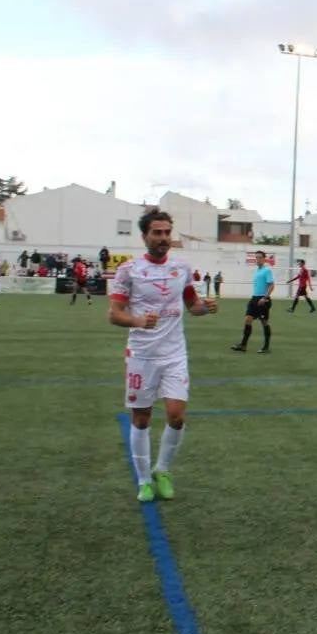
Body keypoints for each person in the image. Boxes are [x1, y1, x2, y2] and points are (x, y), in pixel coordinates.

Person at [109, 210, 217, 502]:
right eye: (157, 233)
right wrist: (138, 321)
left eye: (167, 232)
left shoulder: (181, 267)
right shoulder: (128, 270)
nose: (164, 238)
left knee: (176, 415)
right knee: (142, 419)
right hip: (142, 355)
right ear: (145, 235)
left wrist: (205, 307)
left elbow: (192, 305)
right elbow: (114, 314)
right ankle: (144, 480)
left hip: (174, 354)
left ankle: (163, 470)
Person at [230, 252, 273, 353]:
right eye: (256, 258)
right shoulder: (257, 271)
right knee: (247, 320)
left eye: (259, 258)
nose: (257, 259)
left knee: (264, 322)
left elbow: (271, 285)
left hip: (263, 300)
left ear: (264, 259)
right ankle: (243, 345)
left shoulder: (267, 270)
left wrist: (264, 297)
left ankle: (266, 347)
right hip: (254, 299)